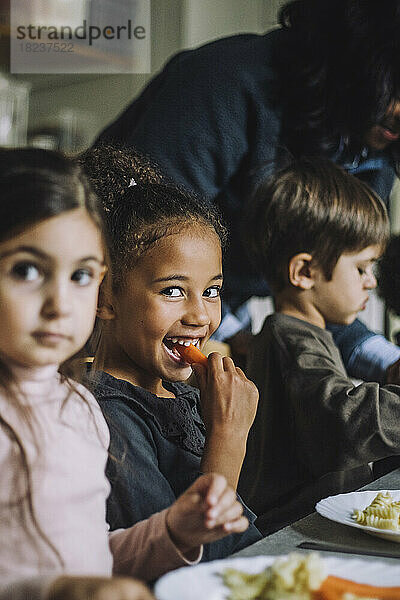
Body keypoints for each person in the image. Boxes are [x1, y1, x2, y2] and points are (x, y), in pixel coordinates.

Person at [96, 0, 400, 381]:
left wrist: (388, 363)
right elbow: (146, 250)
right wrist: (231, 332)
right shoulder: (227, 83)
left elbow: (320, 291)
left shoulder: (376, 148)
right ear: (356, 58)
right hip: (116, 323)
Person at [0, 148, 251, 600]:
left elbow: (97, 555)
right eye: (28, 270)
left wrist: (175, 532)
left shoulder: (76, 408)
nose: (61, 304)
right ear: (110, 298)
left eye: (80, 275)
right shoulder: (105, 407)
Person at [80, 145, 261, 562]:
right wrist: (228, 437)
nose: (200, 314)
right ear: (105, 296)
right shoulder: (106, 417)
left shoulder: (183, 395)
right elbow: (182, 566)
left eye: (212, 291)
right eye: (173, 291)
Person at [237, 158, 400, 536]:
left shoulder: (301, 336)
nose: (370, 283)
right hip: (295, 530)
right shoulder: (289, 337)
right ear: (304, 272)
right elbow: (342, 418)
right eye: (361, 268)